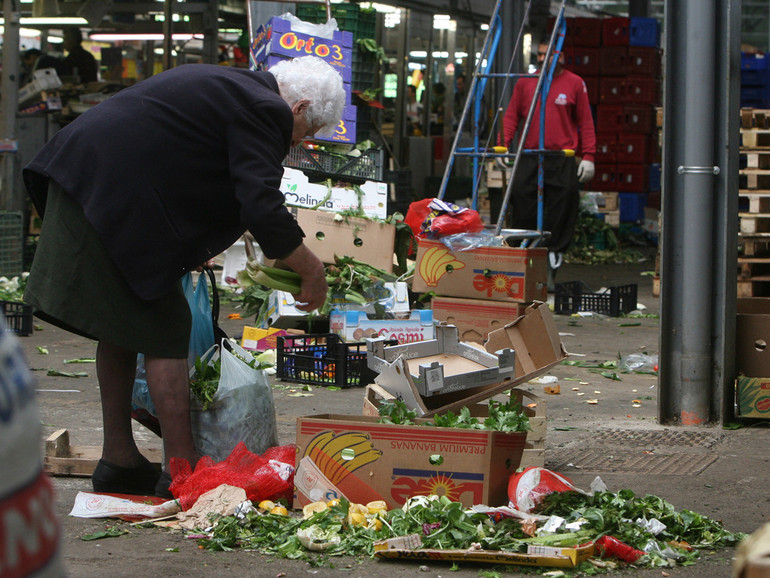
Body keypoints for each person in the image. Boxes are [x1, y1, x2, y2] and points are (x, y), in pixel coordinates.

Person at [22, 56, 346, 498]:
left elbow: (179, 157)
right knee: (165, 327)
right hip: (108, 192)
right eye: (304, 135)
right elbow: (260, 203)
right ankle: (182, 470)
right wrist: (311, 270)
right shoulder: (267, 108)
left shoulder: (230, 83)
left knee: (123, 323)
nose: (296, 143)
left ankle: (118, 459)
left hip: (88, 180)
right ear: (300, 107)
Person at [501, 41, 596, 290]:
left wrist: (589, 156)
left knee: (564, 199)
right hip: (530, 155)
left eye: (549, 54)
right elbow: (512, 115)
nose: (543, 59)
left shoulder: (575, 83)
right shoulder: (525, 82)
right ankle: (524, 249)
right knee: (521, 194)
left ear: (561, 55)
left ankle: (553, 252)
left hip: (561, 156)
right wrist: (502, 144)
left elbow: (585, 121)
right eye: (540, 54)